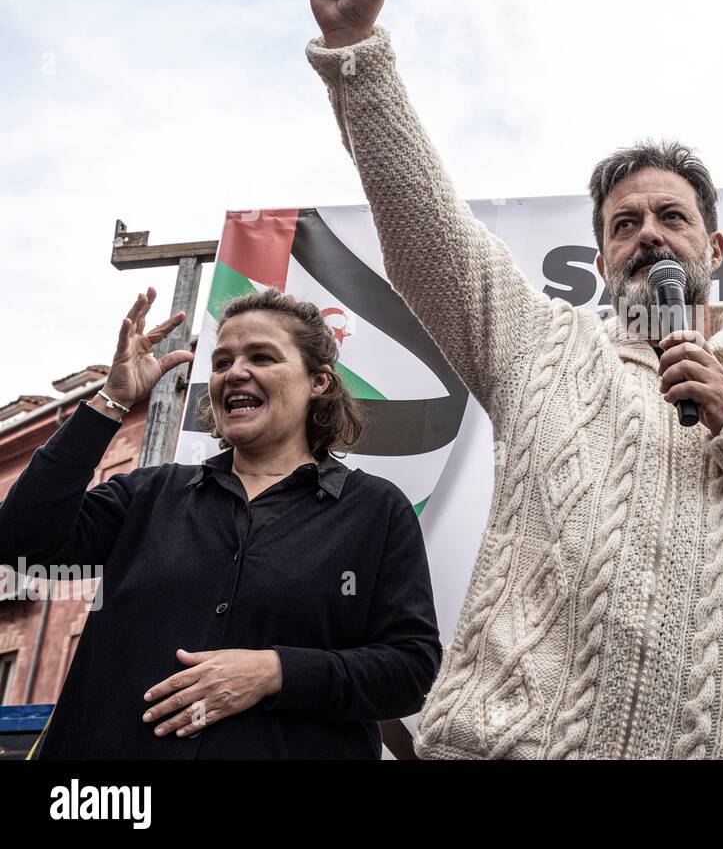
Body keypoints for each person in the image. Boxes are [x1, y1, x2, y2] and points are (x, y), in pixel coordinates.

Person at [306, 0, 723, 759]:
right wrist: (359, 59)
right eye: (624, 224)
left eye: (672, 217)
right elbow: (430, 238)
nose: (649, 235)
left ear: (715, 248)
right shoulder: (541, 345)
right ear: (600, 262)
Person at [0, 287, 441, 758]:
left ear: (319, 382)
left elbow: (410, 669)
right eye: (222, 361)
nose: (235, 373)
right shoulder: (147, 495)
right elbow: (21, 541)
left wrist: (276, 672)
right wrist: (112, 400)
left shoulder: (375, 510)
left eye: (262, 357)